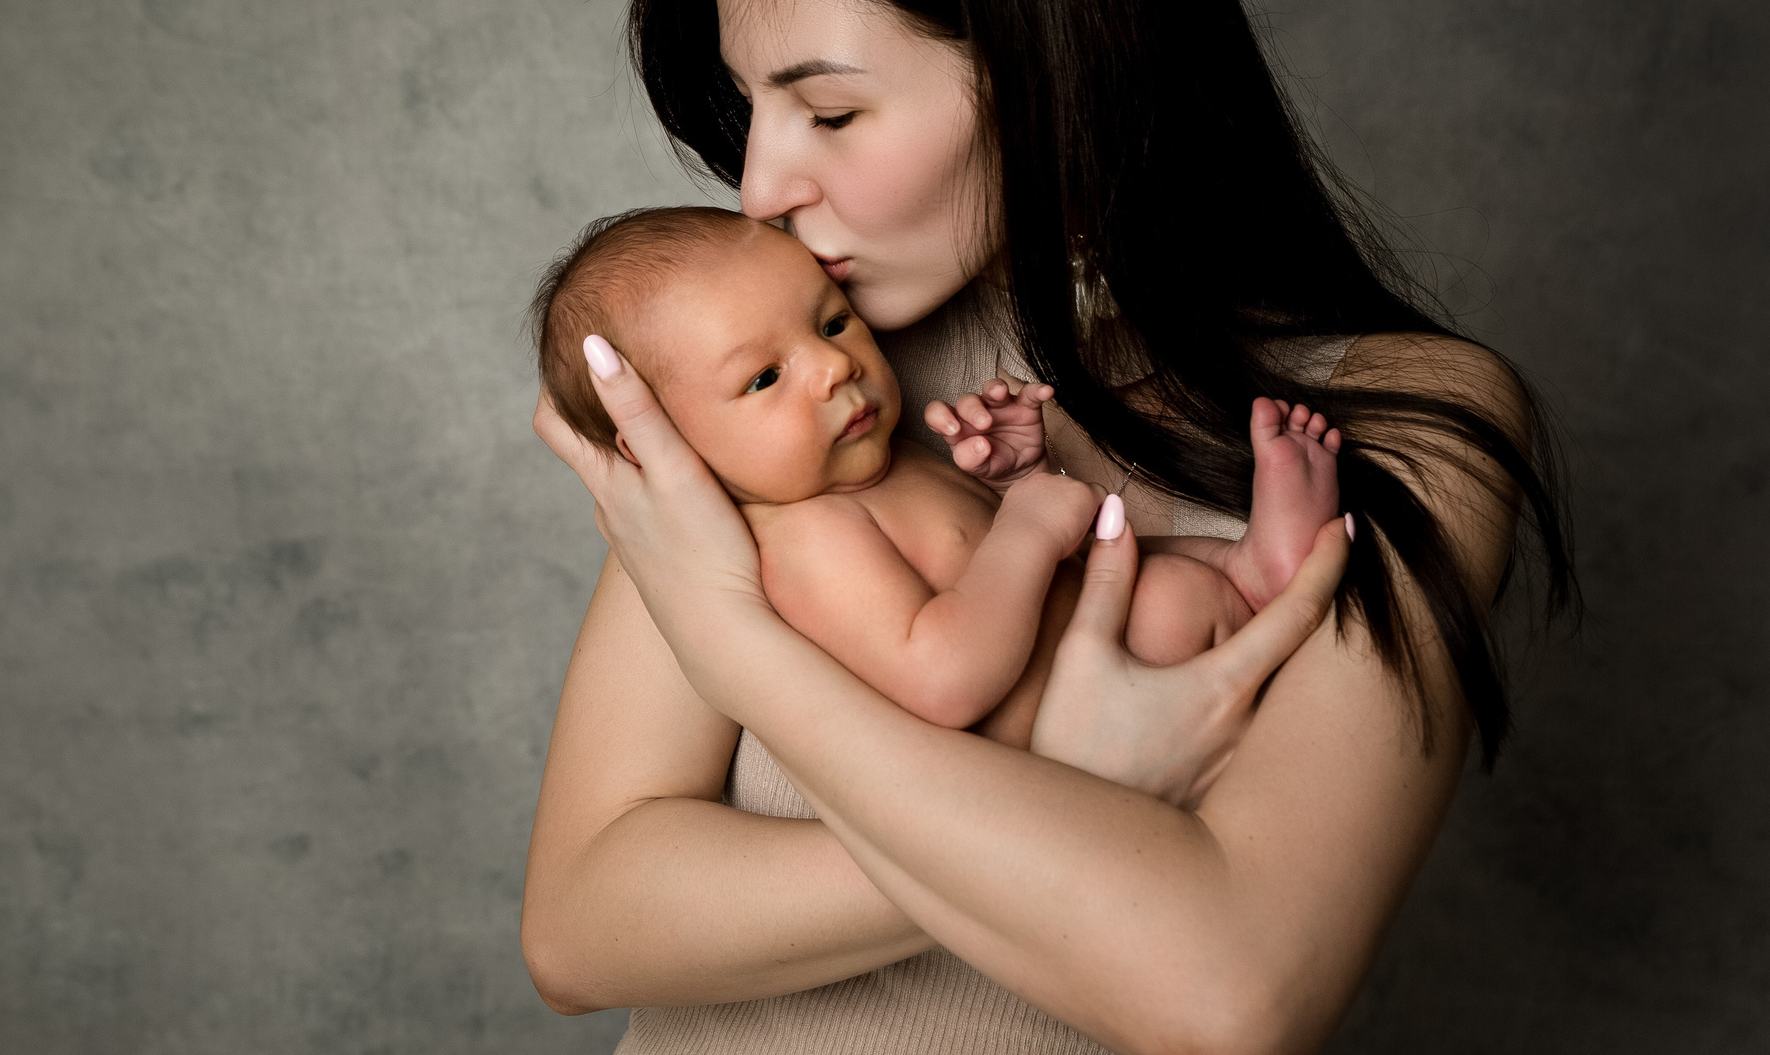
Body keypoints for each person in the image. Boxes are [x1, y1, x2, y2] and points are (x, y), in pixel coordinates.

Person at [522, 0, 1572, 1055]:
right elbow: (589, 916)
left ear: (1055, 63)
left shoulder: (1407, 424)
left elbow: (1225, 995)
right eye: (748, 113)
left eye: (832, 112)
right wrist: (1084, 809)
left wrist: (738, 641)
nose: (761, 190)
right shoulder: (799, 389)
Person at [528, 207, 1349, 746]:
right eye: (763, 378)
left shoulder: (876, 468)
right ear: (659, 442)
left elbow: (989, 565)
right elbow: (942, 676)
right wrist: (1026, 523)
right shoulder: (802, 538)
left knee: (1152, 561)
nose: (832, 368)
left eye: (833, 321)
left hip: (1108, 645)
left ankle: (1251, 566)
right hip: (1084, 725)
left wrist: (1015, 472)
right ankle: (1254, 581)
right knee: (1161, 594)